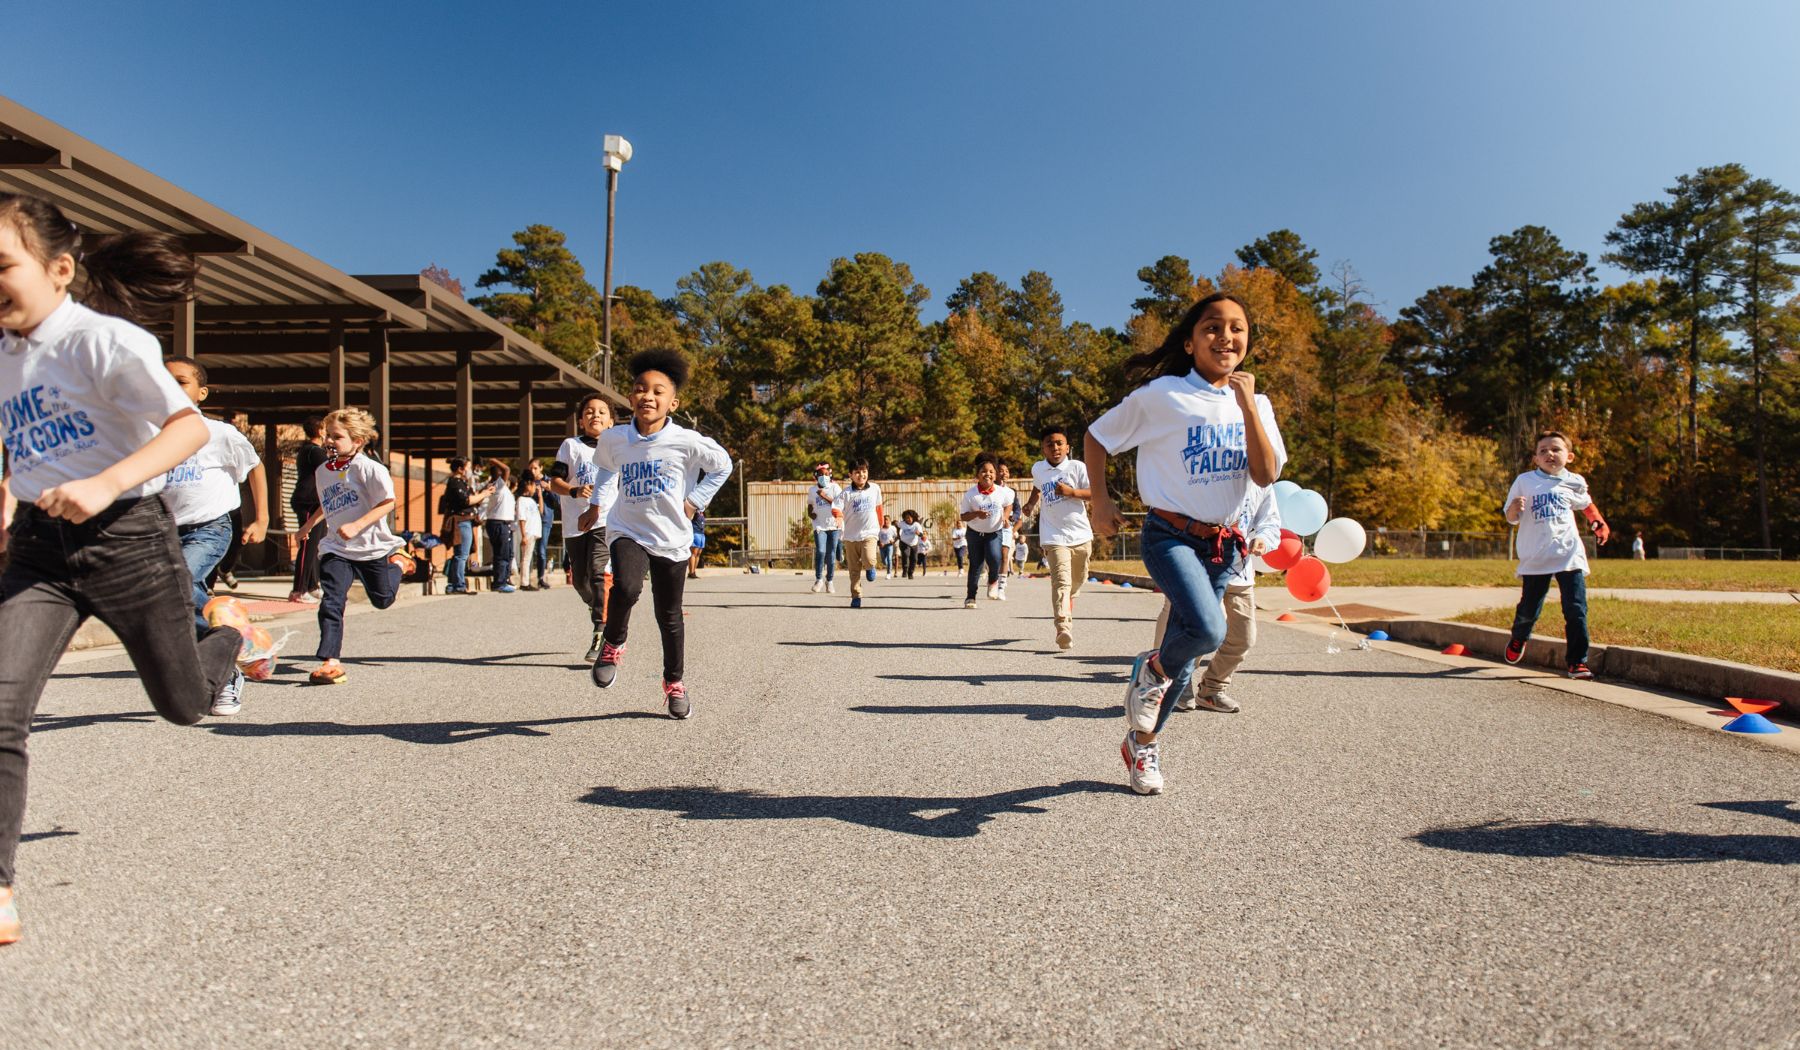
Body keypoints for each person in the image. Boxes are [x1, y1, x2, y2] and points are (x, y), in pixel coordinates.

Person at [0, 195, 247, 943]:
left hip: (128, 541)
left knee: (183, 704)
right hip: (40, 553)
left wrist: (106, 483)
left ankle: (225, 637)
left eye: (2, 265)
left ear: (59, 269)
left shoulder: (105, 342)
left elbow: (186, 428)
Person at [1087, 292, 1286, 795]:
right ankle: (1150, 668)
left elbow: (1264, 474)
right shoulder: (1163, 395)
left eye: (1237, 328)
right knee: (1207, 630)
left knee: (1187, 652)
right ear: (1190, 341)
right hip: (1170, 534)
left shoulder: (1257, 403)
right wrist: (1102, 502)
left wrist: (1246, 406)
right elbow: (1096, 436)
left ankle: (1142, 745)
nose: (1226, 337)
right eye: (1213, 328)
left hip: (1226, 545)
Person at [581, 349, 732, 719]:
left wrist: (695, 501)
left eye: (658, 391)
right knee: (628, 587)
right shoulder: (614, 439)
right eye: (640, 389)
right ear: (631, 398)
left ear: (672, 402)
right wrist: (596, 507)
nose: (648, 395)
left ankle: (674, 683)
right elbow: (604, 470)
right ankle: (613, 643)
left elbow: (722, 465)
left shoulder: (687, 440)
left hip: (672, 536)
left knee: (669, 615)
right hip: (627, 529)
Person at [298, 408, 411, 686]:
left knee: (383, 599)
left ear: (357, 440)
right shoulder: (323, 470)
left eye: (337, 437)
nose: (329, 442)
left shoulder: (371, 469)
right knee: (332, 600)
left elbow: (388, 503)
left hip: (371, 547)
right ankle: (330, 661)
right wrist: (309, 525)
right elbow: (327, 504)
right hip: (336, 548)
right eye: (327, 436)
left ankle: (398, 563)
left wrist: (357, 525)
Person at [160, 361, 269, 644]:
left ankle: (227, 641)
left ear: (202, 393)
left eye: (181, 382)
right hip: (166, 532)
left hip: (209, 528)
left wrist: (262, 519)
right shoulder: (151, 436)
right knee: (169, 593)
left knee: (179, 580)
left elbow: (256, 467)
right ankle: (224, 644)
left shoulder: (219, 433)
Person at [1502, 430, 1610, 679]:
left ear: (1569, 456)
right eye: (1543, 451)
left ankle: (1577, 661)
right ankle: (1519, 638)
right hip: (1536, 558)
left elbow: (1586, 505)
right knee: (1529, 609)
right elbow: (1511, 517)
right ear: (1536, 459)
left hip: (1568, 554)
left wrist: (1599, 523)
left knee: (1576, 609)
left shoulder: (1575, 481)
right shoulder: (1525, 481)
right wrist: (1513, 509)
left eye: (1556, 449)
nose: (1550, 454)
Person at [1166, 483, 1280, 713]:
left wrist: (1264, 540)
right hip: (1203, 568)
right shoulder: (1213, 473)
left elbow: (1270, 522)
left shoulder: (1262, 481)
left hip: (1240, 573)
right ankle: (1180, 684)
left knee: (1243, 638)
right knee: (1206, 632)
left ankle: (1212, 690)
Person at [550, 393, 618, 660]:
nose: (596, 416)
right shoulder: (571, 446)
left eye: (602, 412)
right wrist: (575, 490)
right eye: (589, 412)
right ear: (580, 421)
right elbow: (554, 481)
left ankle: (601, 632)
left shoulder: (617, 449)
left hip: (606, 521)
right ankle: (600, 609)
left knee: (598, 571)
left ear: (611, 422)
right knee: (580, 580)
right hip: (575, 523)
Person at [1020, 426, 1094, 651]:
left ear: (1067, 447)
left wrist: (1072, 493)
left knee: (1077, 579)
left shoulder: (1077, 467)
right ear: (1043, 448)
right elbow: (1038, 487)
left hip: (1080, 534)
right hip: (1053, 535)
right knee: (1060, 581)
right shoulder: (1038, 469)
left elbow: (1094, 493)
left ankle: (1071, 594)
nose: (1055, 448)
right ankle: (1063, 627)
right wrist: (1032, 503)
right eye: (1050, 444)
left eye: (1059, 443)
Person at [958, 452, 1015, 607]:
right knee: (976, 564)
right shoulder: (971, 494)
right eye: (984, 471)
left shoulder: (1003, 492)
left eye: (991, 471)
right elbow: (963, 516)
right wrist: (976, 514)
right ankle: (971, 597)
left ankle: (993, 582)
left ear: (995, 475)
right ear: (977, 475)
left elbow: (1009, 504)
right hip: (974, 533)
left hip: (994, 533)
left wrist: (1005, 515)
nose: (987, 474)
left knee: (995, 558)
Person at [288, 415, 328, 603]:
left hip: (316, 503)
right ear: (320, 431)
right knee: (308, 545)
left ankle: (312, 586)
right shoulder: (315, 451)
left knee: (317, 545)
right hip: (308, 502)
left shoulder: (310, 450)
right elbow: (332, 469)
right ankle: (299, 590)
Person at [438, 457, 487, 595]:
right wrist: (484, 494)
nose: (470, 471)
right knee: (461, 555)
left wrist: (482, 492)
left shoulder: (460, 482)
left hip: (464, 521)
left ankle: (453, 584)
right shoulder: (456, 483)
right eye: (468, 467)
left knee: (459, 554)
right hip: (461, 521)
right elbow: (467, 500)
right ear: (460, 469)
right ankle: (458, 585)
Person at [839, 459, 883, 607]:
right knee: (854, 570)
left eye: (864, 471)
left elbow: (878, 507)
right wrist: (837, 516)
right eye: (857, 472)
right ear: (850, 474)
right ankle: (856, 596)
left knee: (869, 558)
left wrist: (881, 524)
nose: (861, 475)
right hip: (851, 536)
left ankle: (870, 567)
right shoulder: (845, 493)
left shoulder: (875, 489)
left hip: (870, 532)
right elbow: (837, 507)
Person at [482, 459, 516, 592]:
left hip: (496, 523)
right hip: (499, 523)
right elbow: (507, 469)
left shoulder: (496, 487)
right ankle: (500, 582)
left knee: (500, 554)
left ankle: (501, 580)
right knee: (503, 554)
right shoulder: (498, 485)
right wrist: (493, 461)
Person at [808, 462, 843, 593]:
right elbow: (810, 505)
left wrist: (824, 496)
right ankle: (819, 580)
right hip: (819, 525)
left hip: (834, 525)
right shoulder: (812, 490)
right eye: (820, 474)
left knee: (831, 554)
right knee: (821, 551)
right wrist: (809, 513)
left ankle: (830, 581)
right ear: (816, 476)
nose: (823, 476)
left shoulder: (835, 487)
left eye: (826, 474)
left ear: (830, 475)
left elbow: (839, 504)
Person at [996, 462, 1021, 599]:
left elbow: (1017, 510)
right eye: (1001, 470)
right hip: (991, 527)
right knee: (993, 557)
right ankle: (993, 581)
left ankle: (1001, 587)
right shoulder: (991, 489)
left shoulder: (1012, 492)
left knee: (1005, 556)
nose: (1004, 473)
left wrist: (1013, 517)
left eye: (1006, 471)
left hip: (1006, 527)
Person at [516, 475, 543, 590]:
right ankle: (524, 582)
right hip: (527, 532)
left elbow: (541, 511)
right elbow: (522, 518)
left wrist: (540, 496)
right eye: (532, 485)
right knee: (526, 558)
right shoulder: (521, 500)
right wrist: (523, 536)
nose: (534, 488)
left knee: (528, 557)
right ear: (527, 486)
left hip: (533, 532)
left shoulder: (531, 500)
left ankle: (525, 581)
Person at [898, 509, 923, 579]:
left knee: (914, 559)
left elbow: (922, 534)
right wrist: (898, 534)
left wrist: (919, 534)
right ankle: (905, 570)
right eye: (906, 518)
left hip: (914, 544)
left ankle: (910, 573)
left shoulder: (916, 525)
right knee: (906, 554)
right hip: (904, 542)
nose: (908, 519)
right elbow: (897, 525)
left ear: (913, 517)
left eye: (909, 517)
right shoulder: (902, 523)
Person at [689, 508, 706, 579]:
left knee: (698, 554)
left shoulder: (702, 512)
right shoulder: (694, 511)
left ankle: (694, 571)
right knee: (694, 553)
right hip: (695, 533)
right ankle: (691, 572)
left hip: (702, 534)